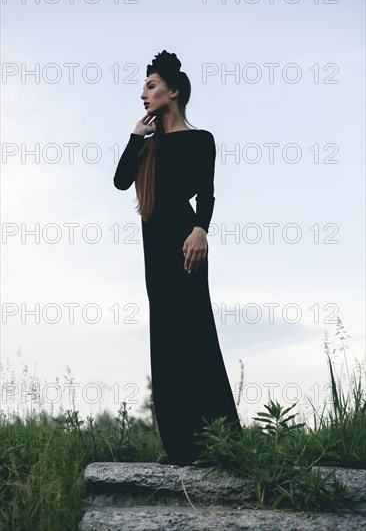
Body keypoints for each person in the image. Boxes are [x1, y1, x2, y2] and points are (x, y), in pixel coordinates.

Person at [113, 50, 242, 467]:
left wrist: (201, 230)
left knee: (196, 331)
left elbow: (206, 192)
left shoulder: (201, 140)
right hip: (155, 245)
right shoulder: (147, 147)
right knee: (166, 337)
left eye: (150, 86)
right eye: (145, 87)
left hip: (187, 241)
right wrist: (136, 135)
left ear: (174, 90)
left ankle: (218, 441)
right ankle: (181, 447)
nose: (143, 94)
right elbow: (119, 182)